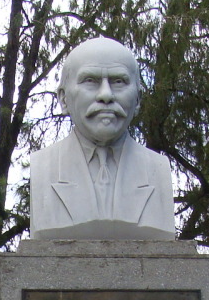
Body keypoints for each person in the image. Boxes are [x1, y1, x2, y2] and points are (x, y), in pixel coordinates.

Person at [28, 37, 175, 240]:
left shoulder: (157, 169)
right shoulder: (43, 166)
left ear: (138, 99)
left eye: (118, 81)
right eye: (90, 81)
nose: (106, 95)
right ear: (63, 99)